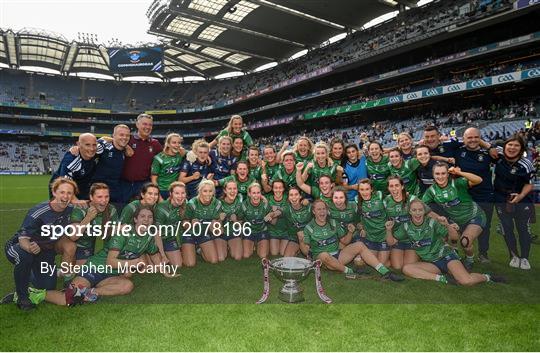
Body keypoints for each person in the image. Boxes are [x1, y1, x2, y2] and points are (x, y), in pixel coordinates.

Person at [19, 207, 168, 307]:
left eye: (150, 217)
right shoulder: (124, 233)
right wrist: (133, 262)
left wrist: (166, 272)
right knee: (69, 299)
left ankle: (90, 293)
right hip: (95, 269)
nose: (146, 219)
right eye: (142, 216)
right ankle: (37, 294)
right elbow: (111, 262)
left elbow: (154, 255)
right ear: (135, 220)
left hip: (110, 276)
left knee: (127, 285)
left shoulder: (148, 237)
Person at [4, 177, 77, 310]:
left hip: (44, 251)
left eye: (69, 193)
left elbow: (87, 204)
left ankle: (33, 272)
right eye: (62, 192)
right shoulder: (39, 211)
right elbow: (23, 238)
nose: (65, 196)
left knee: (47, 286)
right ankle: (22, 297)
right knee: (25, 257)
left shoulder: (71, 209)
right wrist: (30, 247)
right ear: (54, 192)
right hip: (19, 246)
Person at [401, 199, 505, 286]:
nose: (417, 213)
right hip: (431, 263)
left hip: (445, 257)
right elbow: (395, 239)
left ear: (425, 211)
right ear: (409, 212)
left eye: (420, 210)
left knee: (466, 281)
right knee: (407, 268)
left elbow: (454, 238)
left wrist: (447, 225)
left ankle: (487, 277)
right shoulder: (406, 226)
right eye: (414, 210)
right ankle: (442, 279)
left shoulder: (433, 223)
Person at [303, 199, 403, 281]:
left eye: (324, 209)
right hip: (324, 261)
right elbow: (306, 247)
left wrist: (350, 232)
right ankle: (350, 271)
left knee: (359, 245)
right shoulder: (309, 228)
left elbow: (345, 241)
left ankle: (385, 272)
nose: (322, 212)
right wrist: (309, 259)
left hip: (338, 256)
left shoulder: (333, 222)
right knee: (324, 255)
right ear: (313, 211)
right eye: (319, 209)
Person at [421, 162, 485, 270]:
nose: (440, 176)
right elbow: (422, 207)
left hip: (474, 217)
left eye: (443, 173)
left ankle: (469, 260)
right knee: (449, 239)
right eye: (437, 174)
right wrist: (438, 218)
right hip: (455, 221)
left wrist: (459, 172)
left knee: (465, 241)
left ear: (448, 174)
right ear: (433, 175)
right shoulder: (432, 190)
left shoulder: (457, 183)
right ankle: (455, 258)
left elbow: (478, 180)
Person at [493, 135, 536, 270]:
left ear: (521, 148)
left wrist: (520, 196)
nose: (512, 148)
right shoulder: (498, 155)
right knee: (507, 228)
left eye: (516, 145)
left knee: (523, 230)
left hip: (522, 200)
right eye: (510, 145)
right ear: (505, 146)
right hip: (501, 199)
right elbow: (484, 145)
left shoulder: (526, 164)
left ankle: (524, 258)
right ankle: (514, 256)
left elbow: (530, 184)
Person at [454, 127, 496, 263]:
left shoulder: (489, 153)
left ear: (480, 138)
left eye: (475, 137)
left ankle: (483, 253)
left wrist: (488, 146)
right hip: (464, 197)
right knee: (462, 226)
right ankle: (465, 253)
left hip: (485, 196)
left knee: (485, 226)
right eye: (469, 138)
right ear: (464, 139)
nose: (472, 140)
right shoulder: (458, 151)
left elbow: (503, 152)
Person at [69, 183, 119, 266]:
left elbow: (114, 233)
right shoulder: (80, 209)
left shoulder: (111, 209)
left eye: (106, 196)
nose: (104, 200)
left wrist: (111, 253)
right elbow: (73, 237)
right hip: (79, 244)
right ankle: (67, 266)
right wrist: (88, 218)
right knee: (85, 270)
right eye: (99, 197)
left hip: (91, 243)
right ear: (91, 197)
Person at [120, 113, 163, 204]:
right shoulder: (128, 139)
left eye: (150, 125)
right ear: (137, 124)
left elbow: (167, 155)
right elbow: (109, 139)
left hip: (143, 184)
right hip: (124, 184)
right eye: (144, 124)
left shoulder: (155, 144)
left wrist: (185, 152)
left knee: (142, 212)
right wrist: (126, 146)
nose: (147, 127)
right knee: (123, 211)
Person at [183, 180, 223, 266]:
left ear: (213, 192)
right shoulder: (192, 203)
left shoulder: (217, 203)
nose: (208, 194)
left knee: (214, 260)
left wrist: (217, 223)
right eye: (205, 191)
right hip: (190, 233)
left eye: (210, 191)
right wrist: (190, 225)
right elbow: (184, 221)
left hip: (203, 233)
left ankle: (199, 249)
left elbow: (217, 225)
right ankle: (188, 248)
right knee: (190, 264)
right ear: (200, 191)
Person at [90, 125, 131, 207]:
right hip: (99, 190)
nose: (125, 137)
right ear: (114, 135)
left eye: (127, 135)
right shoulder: (104, 146)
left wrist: (126, 146)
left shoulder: (125, 150)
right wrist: (75, 149)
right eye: (121, 135)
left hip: (115, 190)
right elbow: (88, 149)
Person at [50, 133, 98, 202]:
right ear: (78, 144)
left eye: (94, 145)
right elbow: (64, 183)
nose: (92, 148)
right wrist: (75, 200)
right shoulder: (71, 160)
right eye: (87, 145)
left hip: (81, 185)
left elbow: (107, 140)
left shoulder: (97, 149)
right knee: (63, 207)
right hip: (61, 186)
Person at [356, 179, 390, 265]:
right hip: (370, 237)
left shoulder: (380, 195)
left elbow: (392, 204)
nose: (364, 192)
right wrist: (361, 227)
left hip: (383, 236)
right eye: (362, 189)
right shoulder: (357, 200)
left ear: (371, 189)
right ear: (358, 190)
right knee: (360, 262)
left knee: (381, 264)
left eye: (367, 189)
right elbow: (358, 219)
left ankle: (391, 254)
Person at [154, 182, 187, 270]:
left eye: (183, 193)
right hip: (162, 239)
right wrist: (163, 255)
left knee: (180, 264)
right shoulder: (162, 208)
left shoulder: (185, 204)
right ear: (171, 194)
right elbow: (156, 233)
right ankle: (155, 253)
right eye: (177, 193)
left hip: (174, 238)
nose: (180, 196)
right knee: (176, 265)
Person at [238, 183, 273, 259]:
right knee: (246, 255)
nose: (256, 195)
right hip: (249, 231)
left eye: (258, 193)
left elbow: (272, 213)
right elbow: (240, 219)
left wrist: (271, 215)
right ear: (249, 194)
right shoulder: (244, 205)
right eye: (253, 193)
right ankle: (252, 243)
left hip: (262, 230)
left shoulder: (265, 204)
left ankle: (260, 243)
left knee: (262, 255)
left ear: (261, 193)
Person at [151, 133, 185, 200]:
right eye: (174, 143)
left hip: (176, 190)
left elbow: (197, 152)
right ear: (168, 144)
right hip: (162, 190)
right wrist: (159, 196)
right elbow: (153, 180)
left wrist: (208, 157)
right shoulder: (159, 158)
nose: (177, 145)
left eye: (179, 143)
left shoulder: (181, 154)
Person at [282, 186, 312, 256]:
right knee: (287, 258)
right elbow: (279, 211)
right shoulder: (287, 208)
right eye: (291, 195)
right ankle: (299, 249)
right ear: (288, 198)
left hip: (309, 237)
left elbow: (319, 207)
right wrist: (272, 214)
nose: (294, 197)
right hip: (294, 238)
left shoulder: (308, 206)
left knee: (308, 254)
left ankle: (308, 253)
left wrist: (310, 201)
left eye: (296, 194)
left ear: (300, 196)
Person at [219, 180, 244, 261]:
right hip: (221, 234)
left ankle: (229, 246)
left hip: (233, 233)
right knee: (221, 258)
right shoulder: (218, 203)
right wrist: (220, 219)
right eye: (230, 189)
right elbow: (212, 223)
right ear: (225, 190)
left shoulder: (239, 204)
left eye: (234, 188)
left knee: (237, 257)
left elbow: (242, 222)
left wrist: (236, 221)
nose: (232, 191)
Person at [267, 180, 289, 256]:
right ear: (272, 189)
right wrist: (271, 215)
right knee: (274, 253)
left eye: (280, 188)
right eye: (276, 188)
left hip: (286, 231)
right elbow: (269, 220)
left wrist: (274, 212)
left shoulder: (288, 199)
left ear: (283, 189)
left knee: (283, 253)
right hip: (273, 231)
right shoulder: (269, 200)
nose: (278, 190)